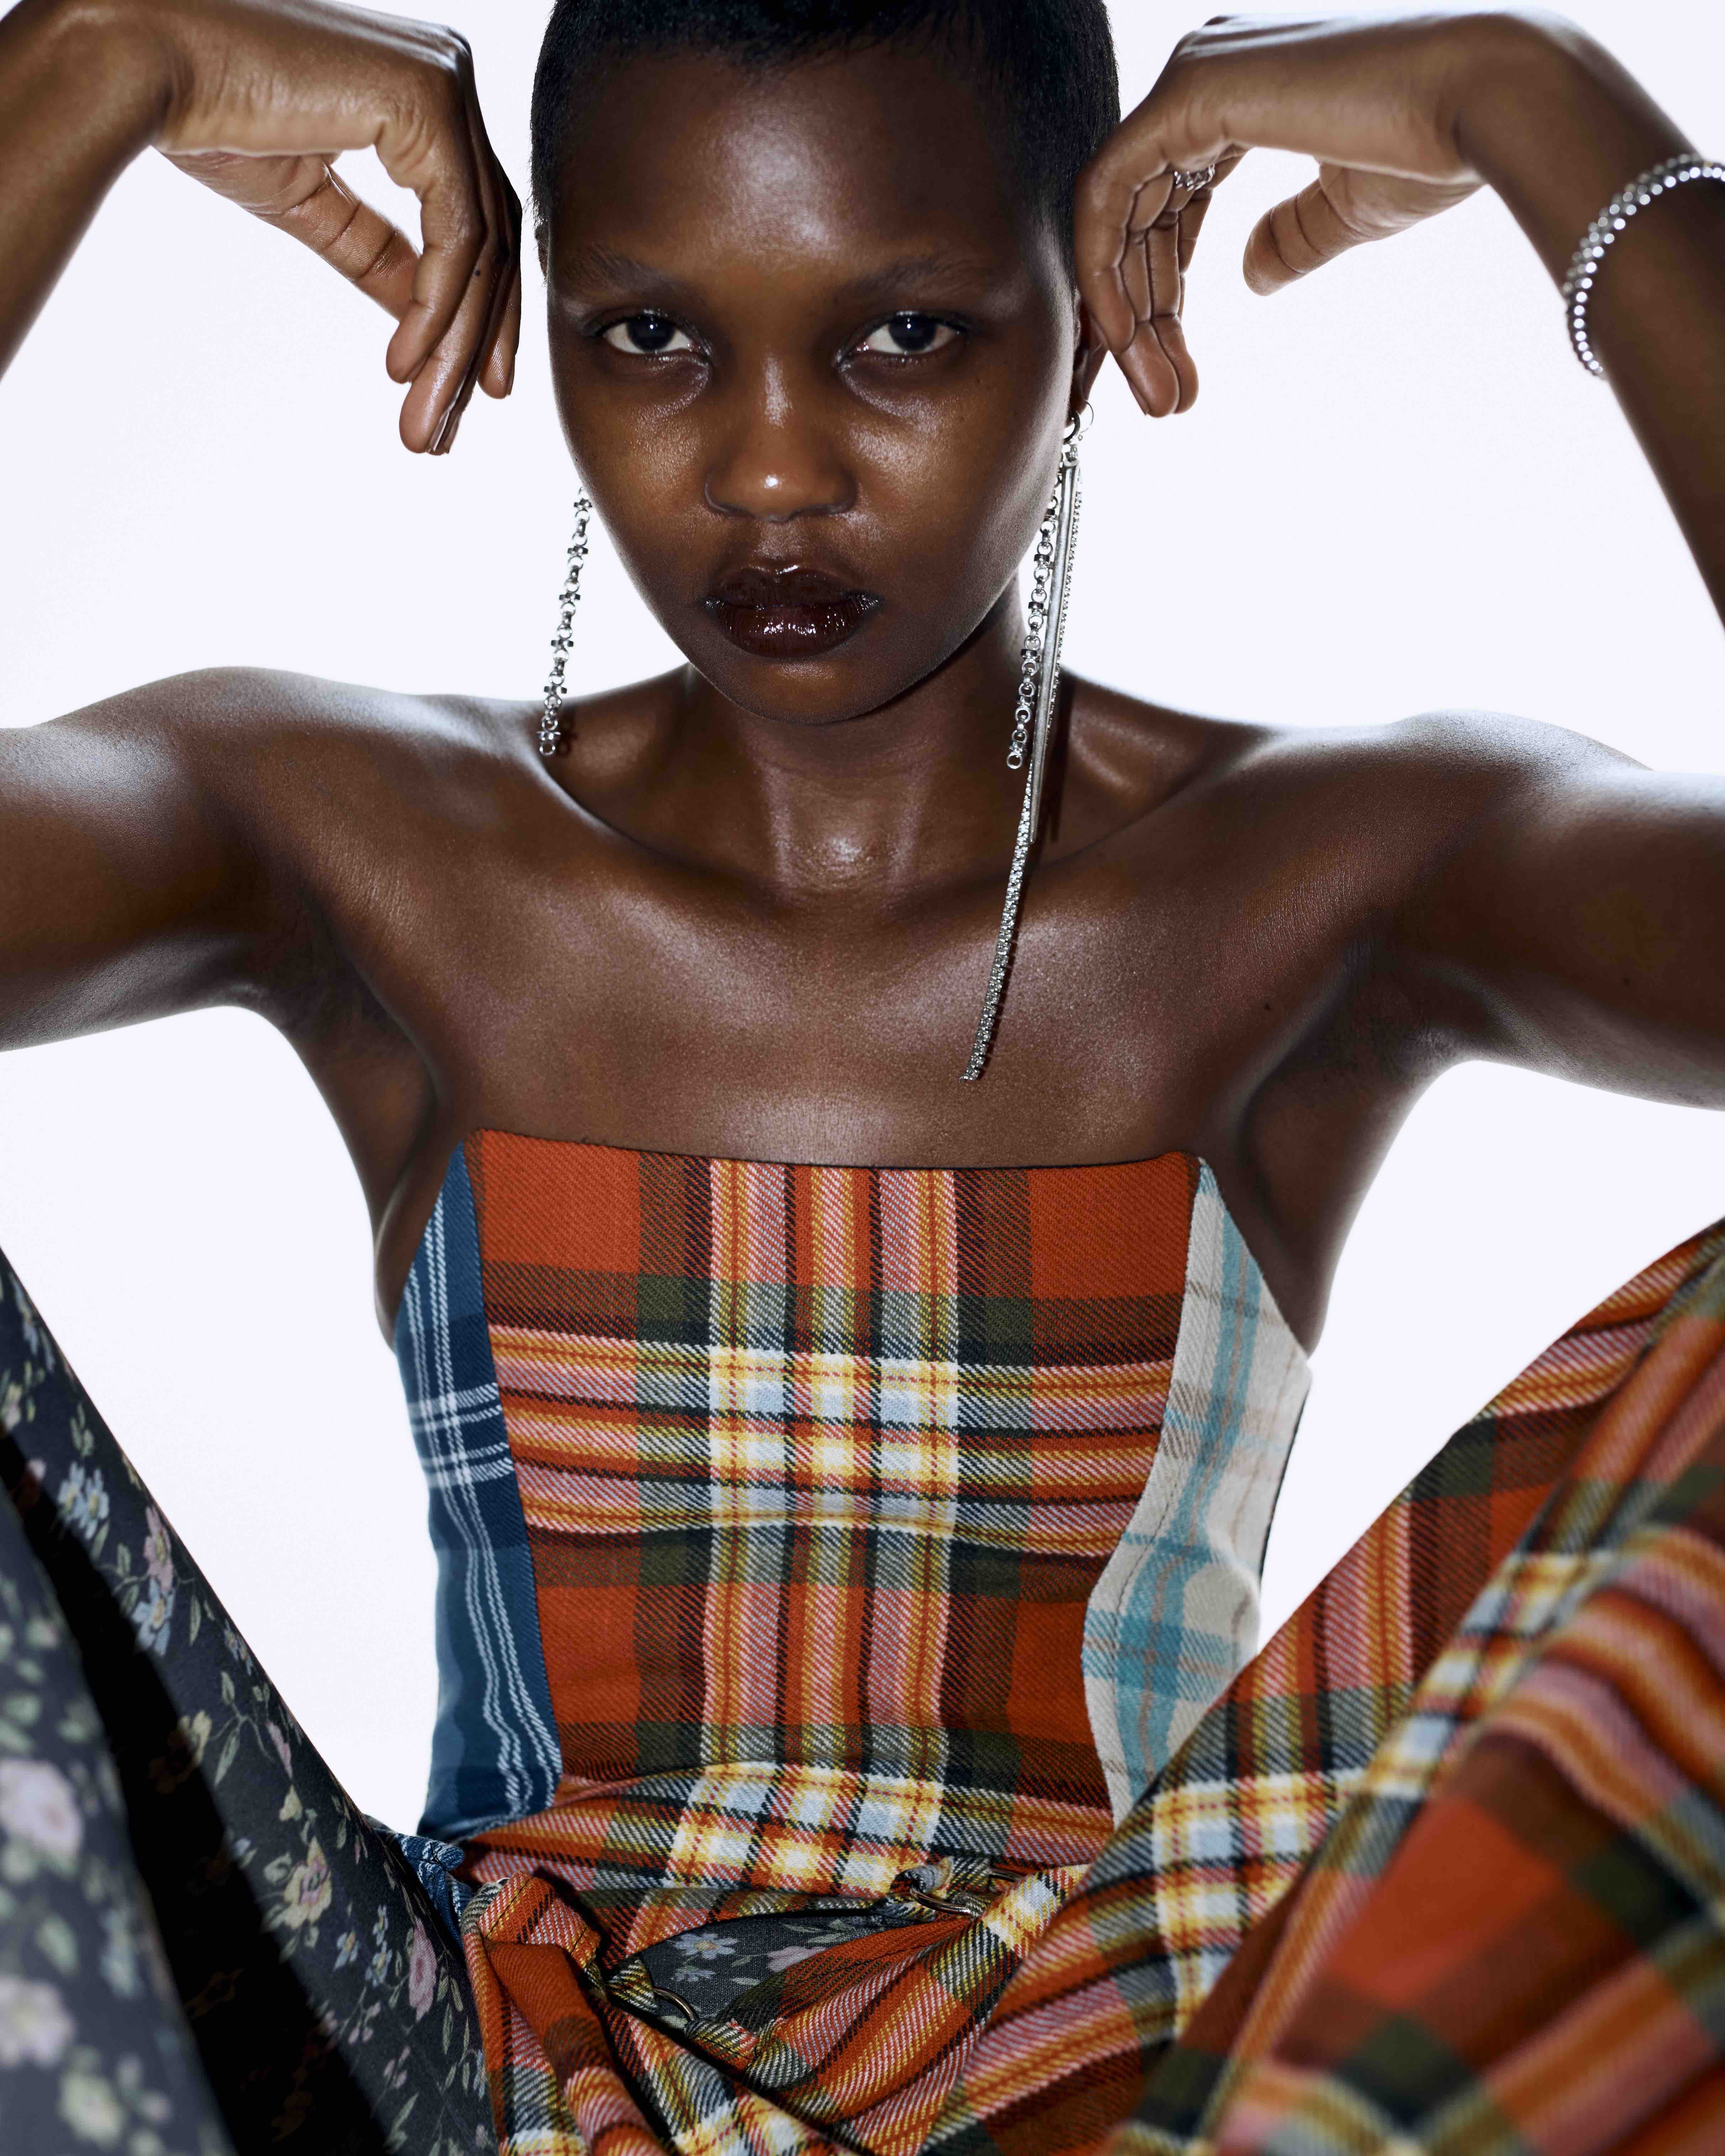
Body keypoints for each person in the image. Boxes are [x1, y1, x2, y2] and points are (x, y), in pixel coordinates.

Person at [1, 0, 1722, 2150]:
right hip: (473, 2077)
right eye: (654, 338)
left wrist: (1548, 111)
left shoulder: (1333, 872)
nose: (769, 469)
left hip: (1127, 2065)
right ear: (549, 318)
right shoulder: (354, 835)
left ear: (1094, 312)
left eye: (902, 336)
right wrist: (84, 72)